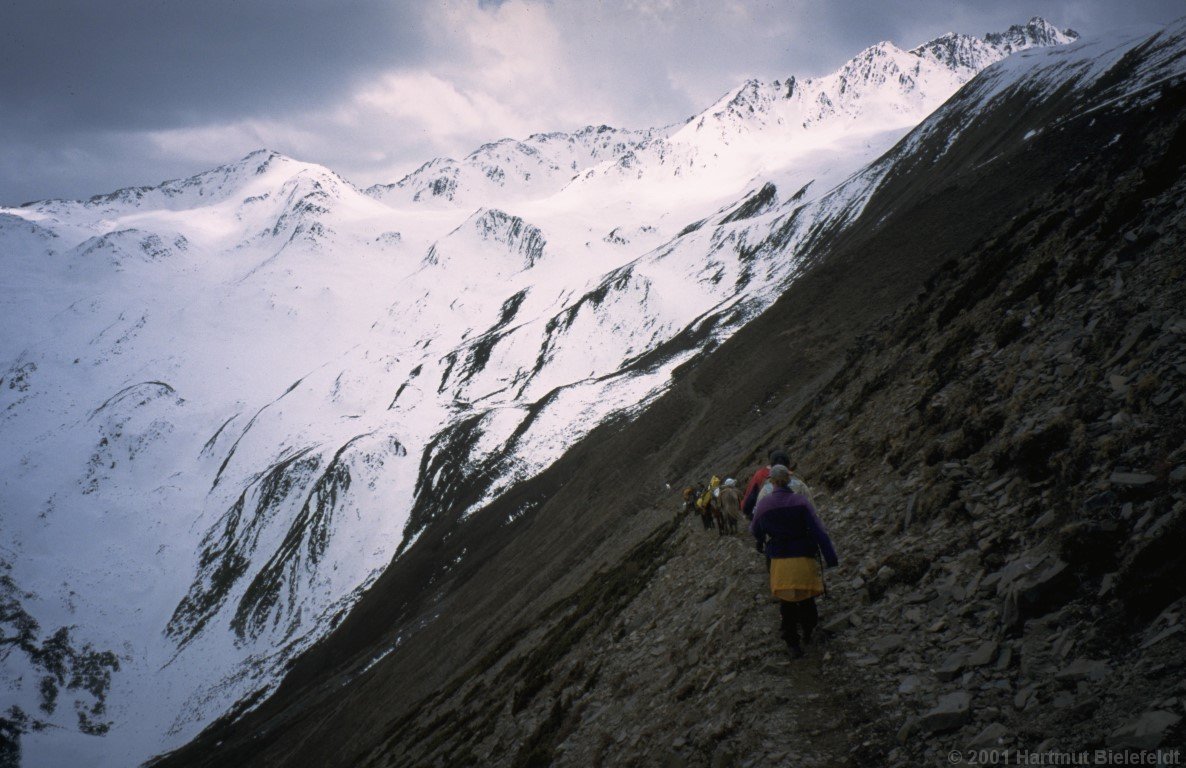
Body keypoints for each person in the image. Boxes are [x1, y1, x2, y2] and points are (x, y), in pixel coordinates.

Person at [751, 465, 838, 659]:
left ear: (771, 481)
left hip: (780, 561)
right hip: (804, 558)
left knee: (786, 604)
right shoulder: (800, 501)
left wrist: (763, 538)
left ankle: (792, 643)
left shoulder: (764, 505)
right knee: (807, 599)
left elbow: (755, 529)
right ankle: (808, 631)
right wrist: (830, 557)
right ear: (789, 481)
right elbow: (818, 531)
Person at [741, 449, 791, 520]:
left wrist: (745, 508)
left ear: (770, 461)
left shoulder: (760, 475)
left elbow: (750, 492)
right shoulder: (796, 479)